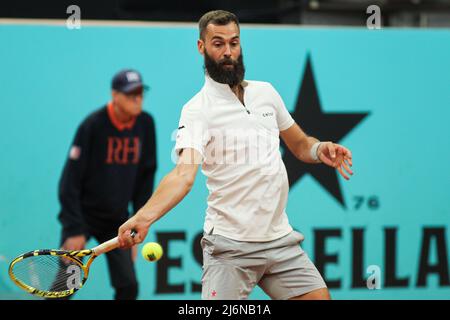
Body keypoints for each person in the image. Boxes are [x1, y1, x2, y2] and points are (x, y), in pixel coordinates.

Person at [117, 10, 353, 300]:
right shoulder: (196, 111)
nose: (228, 52)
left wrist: (320, 149)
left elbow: (300, 144)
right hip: (231, 247)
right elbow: (183, 175)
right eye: (218, 44)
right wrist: (144, 217)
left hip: (280, 239)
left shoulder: (266, 93)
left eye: (234, 43)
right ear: (201, 47)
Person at [57, 69, 157, 300]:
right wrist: (74, 229)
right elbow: (69, 182)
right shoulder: (92, 126)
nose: (137, 98)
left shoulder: (146, 124)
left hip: (118, 222)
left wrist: (137, 223)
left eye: (140, 93)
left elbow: (145, 179)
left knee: (128, 287)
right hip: (83, 217)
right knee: (64, 288)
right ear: (115, 95)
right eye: (131, 93)